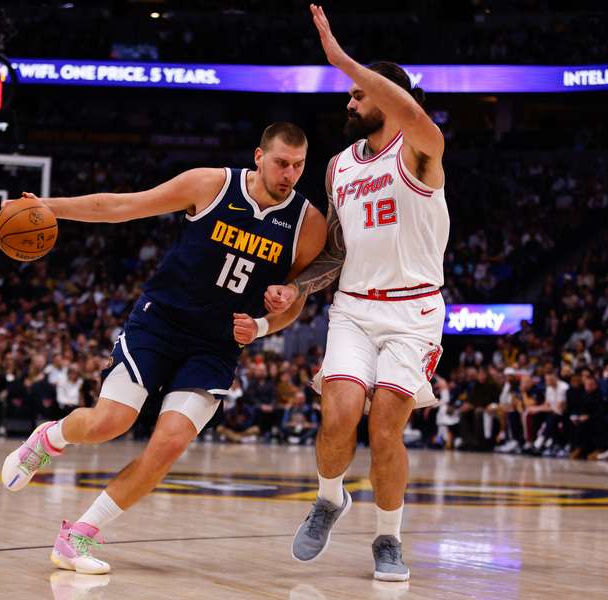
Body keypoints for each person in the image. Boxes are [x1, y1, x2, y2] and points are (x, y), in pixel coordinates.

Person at [0, 122, 326, 574]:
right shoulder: (210, 184)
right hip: (161, 323)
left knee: (168, 445)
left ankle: (78, 536)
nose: (289, 173)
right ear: (258, 156)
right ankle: (48, 438)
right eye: (281, 163)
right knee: (110, 422)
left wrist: (267, 322)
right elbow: (121, 207)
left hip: (215, 345)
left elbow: (295, 300)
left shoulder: (308, 225)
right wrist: (45, 206)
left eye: (298, 165)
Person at [258, 6, 450, 582]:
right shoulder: (339, 167)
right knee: (339, 414)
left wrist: (342, 57)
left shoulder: (421, 150)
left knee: (386, 427)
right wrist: (295, 286)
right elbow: (337, 252)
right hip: (354, 309)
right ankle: (328, 498)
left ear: (385, 97)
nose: (348, 102)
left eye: (357, 94)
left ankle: (388, 540)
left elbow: (412, 111)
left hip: (414, 312)